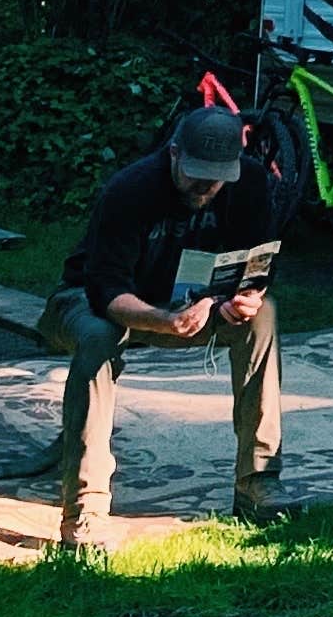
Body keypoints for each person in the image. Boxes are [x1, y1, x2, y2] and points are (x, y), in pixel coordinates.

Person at [42, 91, 285, 548]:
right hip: (90, 301)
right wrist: (163, 320)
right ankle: (86, 508)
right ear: (174, 153)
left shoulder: (249, 183)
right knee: (99, 337)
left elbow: (257, 267)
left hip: (192, 303)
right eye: (197, 175)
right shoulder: (130, 189)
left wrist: (242, 300)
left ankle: (258, 482)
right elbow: (105, 291)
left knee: (263, 317)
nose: (206, 187)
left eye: (217, 179)